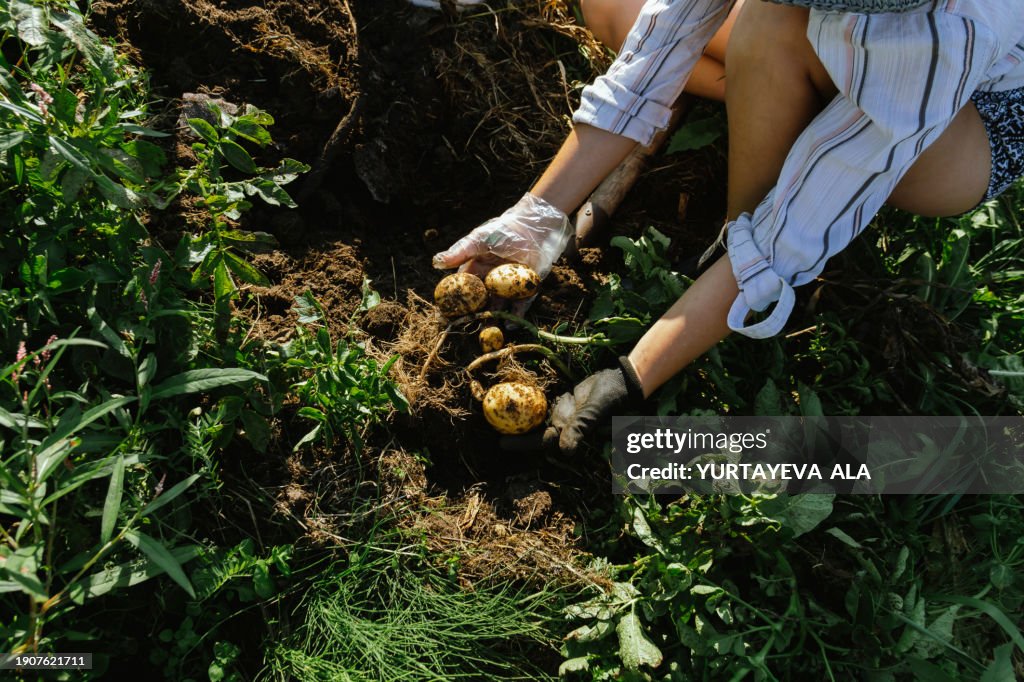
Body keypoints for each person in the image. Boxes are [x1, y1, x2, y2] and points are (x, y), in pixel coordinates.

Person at [432, 0, 1024, 452]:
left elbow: (787, 238)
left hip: (964, 119)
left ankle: (737, 222)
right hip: (842, 40)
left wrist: (631, 377)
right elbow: (652, 55)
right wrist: (538, 215)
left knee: (771, 27)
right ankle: (795, 109)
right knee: (612, 7)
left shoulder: (947, 37)